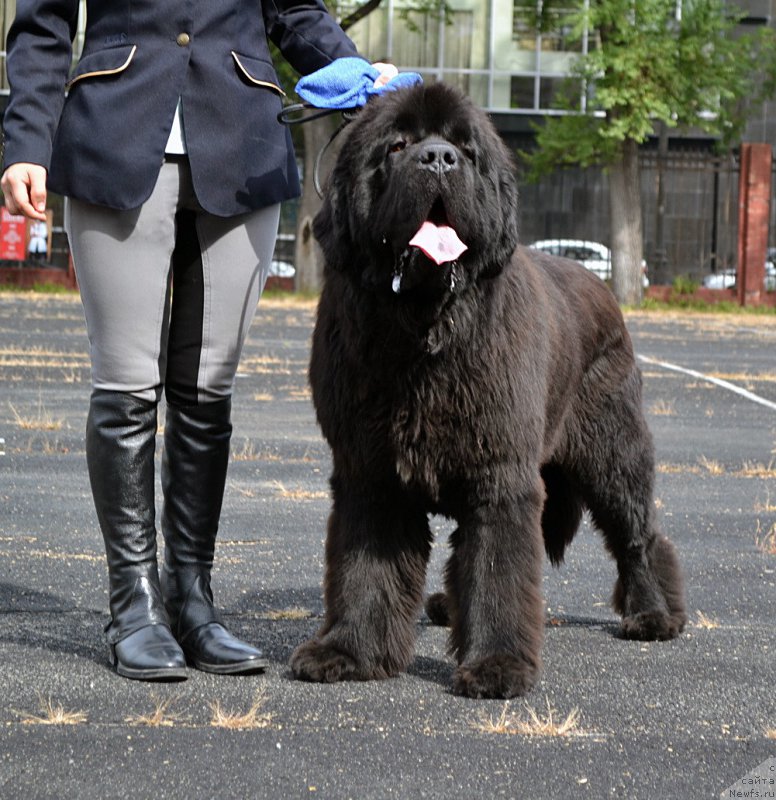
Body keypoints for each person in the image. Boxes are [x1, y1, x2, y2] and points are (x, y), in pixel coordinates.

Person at [2, 0, 395, 681]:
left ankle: (193, 600)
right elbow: (43, 23)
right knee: (126, 386)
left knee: (209, 390)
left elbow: (295, 10)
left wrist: (361, 74)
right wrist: (25, 143)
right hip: (113, 132)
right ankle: (135, 607)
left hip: (241, 137)